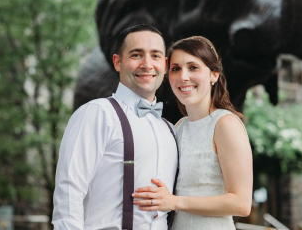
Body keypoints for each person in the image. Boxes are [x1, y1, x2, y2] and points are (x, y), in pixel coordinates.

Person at [52, 24, 178, 230]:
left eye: (155, 56)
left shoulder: (170, 130)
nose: (147, 64)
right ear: (118, 62)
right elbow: (69, 191)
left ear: (164, 65)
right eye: (136, 55)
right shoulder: (97, 113)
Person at [132, 36, 253, 229]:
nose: (183, 77)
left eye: (193, 67)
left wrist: (174, 202)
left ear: (214, 75)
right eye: (176, 69)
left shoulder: (225, 124)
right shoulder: (179, 126)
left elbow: (241, 203)